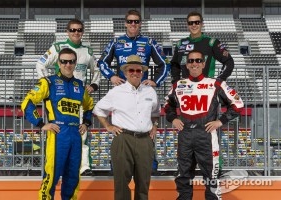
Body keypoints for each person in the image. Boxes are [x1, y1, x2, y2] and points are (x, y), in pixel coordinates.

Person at [164, 50, 244, 200]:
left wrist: (220, 121)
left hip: (206, 136)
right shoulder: (178, 85)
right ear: (187, 64)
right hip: (185, 135)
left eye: (198, 60)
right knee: (183, 177)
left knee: (211, 178)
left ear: (204, 63)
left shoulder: (215, 84)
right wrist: (173, 118)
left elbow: (238, 104)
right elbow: (167, 105)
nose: (195, 64)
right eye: (191, 61)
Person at [98, 9, 169, 175]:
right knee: (121, 128)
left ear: (140, 23)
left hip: (143, 90)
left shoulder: (149, 42)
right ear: (125, 23)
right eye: (130, 21)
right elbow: (102, 62)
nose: (133, 24)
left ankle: (150, 165)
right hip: (123, 91)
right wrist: (112, 76)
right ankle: (117, 165)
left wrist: (155, 81)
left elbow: (164, 65)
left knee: (146, 127)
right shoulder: (116, 42)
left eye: (136, 21)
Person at [21, 48, 94, 199]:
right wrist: (41, 124)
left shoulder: (80, 86)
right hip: (57, 134)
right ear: (58, 63)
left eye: (71, 61)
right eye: (64, 61)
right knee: (52, 175)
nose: (68, 65)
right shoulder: (48, 82)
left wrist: (86, 123)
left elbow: (89, 106)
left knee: (73, 176)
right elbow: (27, 102)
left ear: (75, 63)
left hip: (75, 135)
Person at [36, 18, 99, 176]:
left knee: (81, 131)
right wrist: (47, 84)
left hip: (78, 97)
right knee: (58, 131)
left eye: (79, 30)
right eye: (73, 30)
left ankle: (84, 167)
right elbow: (40, 64)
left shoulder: (88, 51)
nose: (76, 33)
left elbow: (97, 71)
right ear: (67, 32)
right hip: (59, 97)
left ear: (83, 32)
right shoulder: (57, 47)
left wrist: (93, 85)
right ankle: (56, 166)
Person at [94, 55, 160, 200]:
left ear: (142, 72)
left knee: (143, 182)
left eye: (138, 70)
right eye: (131, 70)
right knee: (121, 183)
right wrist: (108, 126)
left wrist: (154, 125)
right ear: (125, 72)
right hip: (123, 139)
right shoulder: (116, 92)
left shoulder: (150, 91)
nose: (135, 73)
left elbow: (155, 112)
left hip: (145, 140)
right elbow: (98, 109)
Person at [170, 11, 234, 84]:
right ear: (187, 25)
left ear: (202, 24)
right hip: (186, 89)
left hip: (207, 89)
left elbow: (229, 62)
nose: (194, 25)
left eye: (197, 22)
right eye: (190, 23)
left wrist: (220, 79)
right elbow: (174, 65)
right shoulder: (180, 44)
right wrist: (175, 82)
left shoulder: (212, 43)